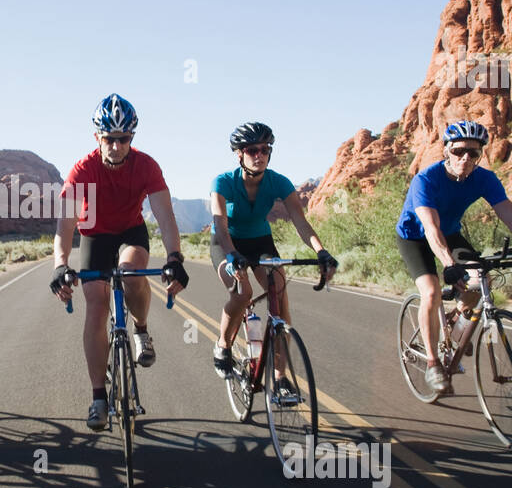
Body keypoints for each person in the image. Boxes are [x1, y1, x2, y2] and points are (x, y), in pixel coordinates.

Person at [49, 93, 189, 429]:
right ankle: (98, 397)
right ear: (97, 137)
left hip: (130, 232)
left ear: (132, 138)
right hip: (95, 235)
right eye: (109, 139)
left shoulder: (147, 166)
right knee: (96, 305)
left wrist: (175, 257)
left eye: (123, 139)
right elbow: (66, 224)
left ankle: (140, 329)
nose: (115, 146)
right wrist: (60, 263)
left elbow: (166, 216)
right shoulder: (83, 169)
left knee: (131, 273)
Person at [395, 120, 512, 395]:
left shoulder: (485, 179)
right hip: (416, 237)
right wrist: (448, 265)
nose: (465, 158)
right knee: (432, 292)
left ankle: (455, 318)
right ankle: (434, 364)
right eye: (459, 151)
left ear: (480, 154)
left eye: (473, 152)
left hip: (450, 233)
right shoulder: (426, 179)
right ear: (446, 151)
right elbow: (431, 229)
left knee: (482, 278)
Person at [209, 122, 337, 393]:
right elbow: (220, 225)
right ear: (239, 155)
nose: (259, 155)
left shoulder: (278, 182)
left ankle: (279, 378)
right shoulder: (223, 182)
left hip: (259, 241)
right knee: (242, 293)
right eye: (252, 150)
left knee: (279, 294)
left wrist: (321, 251)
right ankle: (222, 345)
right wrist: (232, 256)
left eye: (265, 149)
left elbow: (301, 223)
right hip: (226, 241)